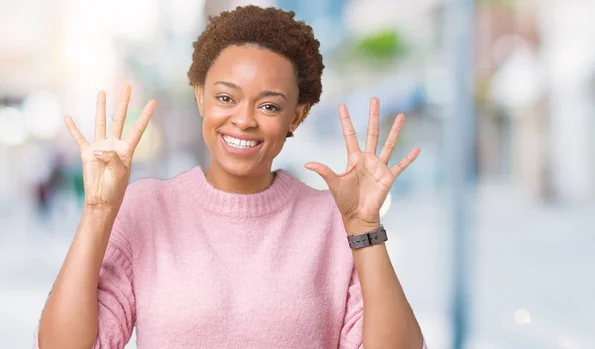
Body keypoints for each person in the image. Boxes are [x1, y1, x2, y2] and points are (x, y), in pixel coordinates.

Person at [34, 5, 426, 349]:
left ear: (297, 116)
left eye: (269, 105)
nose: (243, 119)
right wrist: (98, 209)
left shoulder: (334, 221)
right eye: (225, 97)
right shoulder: (146, 208)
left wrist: (365, 227)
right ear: (200, 95)